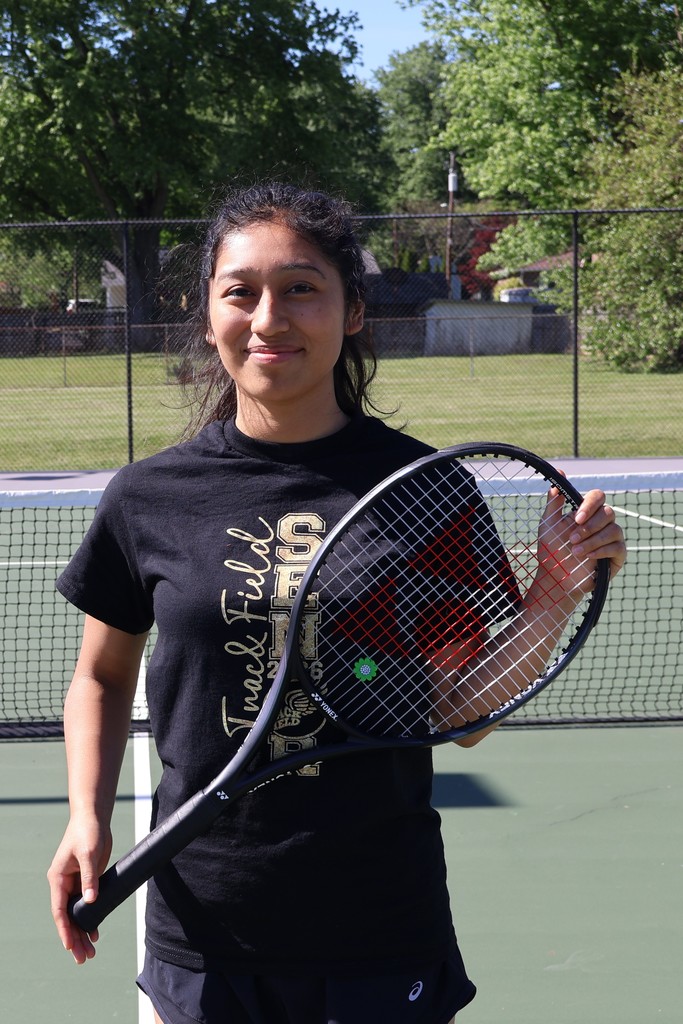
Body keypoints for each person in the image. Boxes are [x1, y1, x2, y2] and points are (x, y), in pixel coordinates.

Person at [47, 182, 627, 1024]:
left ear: (352, 311)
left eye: (302, 288)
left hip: (379, 932)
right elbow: (100, 678)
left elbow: (457, 712)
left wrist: (547, 599)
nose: (269, 318)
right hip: (204, 934)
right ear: (207, 313)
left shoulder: (426, 492)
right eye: (240, 291)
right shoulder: (147, 497)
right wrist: (84, 819)